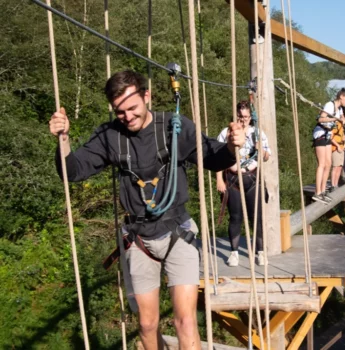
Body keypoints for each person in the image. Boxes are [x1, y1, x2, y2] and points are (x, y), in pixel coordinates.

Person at [49, 70, 245, 350]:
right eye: (120, 112)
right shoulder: (110, 136)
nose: (127, 116)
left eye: (132, 108)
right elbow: (73, 171)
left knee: (185, 321)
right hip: (138, 237)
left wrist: (230, 147)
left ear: (147, 96)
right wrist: (63, 139)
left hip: (179, 231)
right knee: (147, 324)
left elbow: (212, 157)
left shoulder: (173, 127)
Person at [216, 101, 271, 267]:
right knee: (235, 217)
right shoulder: (226, 133)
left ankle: (260, 251)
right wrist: (219, 179)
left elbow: (267, 156)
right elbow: (217, 158)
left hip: (252, 179)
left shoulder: (257, 133)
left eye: (246, 117)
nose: (243, 120)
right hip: (233, 179)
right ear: (236, 115)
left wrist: (260, 150)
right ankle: (234, 253)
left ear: (250, 117)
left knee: (257, 217)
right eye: (240, 116)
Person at [312, 88, 345, 203]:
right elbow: (321, 119)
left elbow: (343, 119)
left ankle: (323, 191)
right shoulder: (330, 105)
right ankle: (317, 192)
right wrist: (334, 118)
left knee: (328, 164)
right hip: (321, 133)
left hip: (328, 135)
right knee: (322, 164)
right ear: (341, 96)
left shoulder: (339, 109)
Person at [330, 111, 345, 190]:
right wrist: (337, 146)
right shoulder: (335, 124)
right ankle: (333, 185)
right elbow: (331, 137)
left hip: (342, 147)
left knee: (340, 167)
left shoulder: (342, 125)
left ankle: (336, 184)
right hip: (336, 148)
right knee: (335, 166)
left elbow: (343, 136)